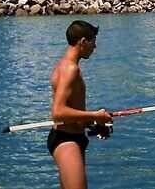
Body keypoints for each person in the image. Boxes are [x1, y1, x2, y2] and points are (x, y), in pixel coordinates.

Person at [47, 20, 115, 189]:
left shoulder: (63, 66)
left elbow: (71, 110)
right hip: (66, 140)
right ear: (83, 42)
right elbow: (58, 112)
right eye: (93, 42)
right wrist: (95, 115)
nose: (95, 47)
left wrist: (92, 125)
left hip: (74, 137)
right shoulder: (70, 69)